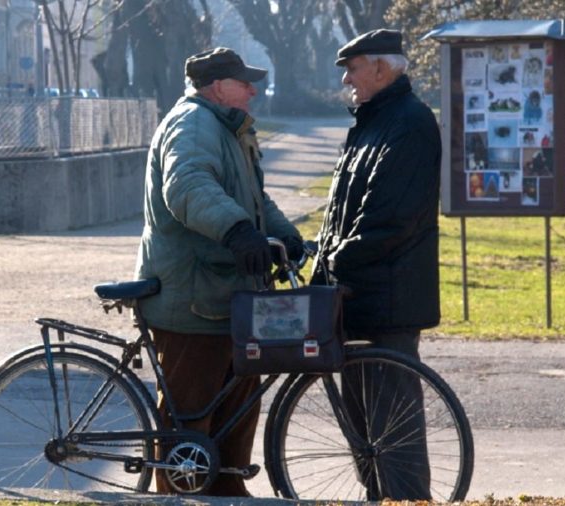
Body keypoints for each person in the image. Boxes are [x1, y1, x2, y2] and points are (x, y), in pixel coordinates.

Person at [134, 47, 303, 496]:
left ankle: (228, 489)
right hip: (193, 298)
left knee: (237, 403)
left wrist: (288, 238)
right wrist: (236, 232)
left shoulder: (228, 128)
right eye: (244, 82)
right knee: (189, 420)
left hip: (227, 296)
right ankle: (179, 496)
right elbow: (187, 186)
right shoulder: (192, 124)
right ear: (215, 87)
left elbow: (255, 199)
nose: (253, 89)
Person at [311, 29, 441, 500]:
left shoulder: (409, 122)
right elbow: (343, 210)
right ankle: (380, 497)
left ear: (382, 68)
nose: (346, 78)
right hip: (358, 298)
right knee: (365, 432)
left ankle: (405, 501)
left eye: (353, 67)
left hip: (389, 300)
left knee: (393, 433)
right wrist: (322, 255)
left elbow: (390, 217)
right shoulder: (372, 122)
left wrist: (334, 257)